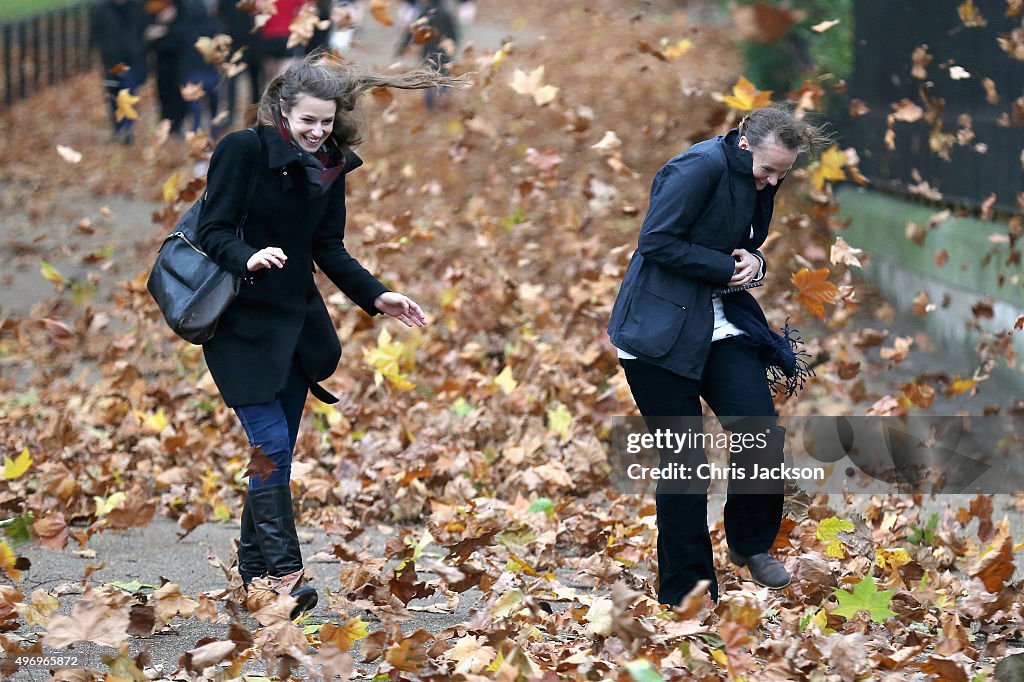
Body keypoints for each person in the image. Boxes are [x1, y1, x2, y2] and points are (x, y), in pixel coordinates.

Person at [196, 53, 461, 617]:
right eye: (306, 121)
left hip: (294, 330)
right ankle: (286, 577)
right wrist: (250, 256)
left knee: (275, 454)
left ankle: (252, 576)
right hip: (238, 324)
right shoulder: (241, 151)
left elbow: (329, 247)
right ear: (281, 111)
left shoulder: (330, 166)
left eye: (325, 121)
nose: (317, 131)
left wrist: (377, 295)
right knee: (269, 449)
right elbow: (212, 230)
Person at [607, 102, 826, 605]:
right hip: (658, 332)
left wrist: (756, 261)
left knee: (758, 432)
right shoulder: (697, 167)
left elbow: (741, 243)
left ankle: (751, 546)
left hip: (722, 325)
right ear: (744, 141)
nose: (772, 183)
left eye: (782, 174)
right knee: (684, 464)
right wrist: (722, 267)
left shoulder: (762, 175)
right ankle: (687, 591)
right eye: (769, 170)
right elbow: (656, 241)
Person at [90, 0, 148, 144]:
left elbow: (144, 31)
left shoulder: (137, 8)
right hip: (112, 62)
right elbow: (95, 35)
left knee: (128, 91)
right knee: (114, 93)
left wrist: (139, 49)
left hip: (132, 60)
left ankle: (127, 128)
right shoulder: (102, 10)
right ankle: (119, 127)